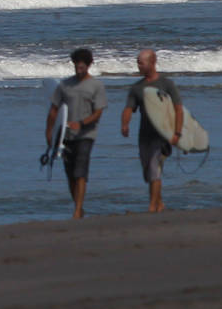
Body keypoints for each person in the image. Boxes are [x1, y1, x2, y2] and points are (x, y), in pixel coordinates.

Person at [46, 48, 107, 219]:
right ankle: (78, 206)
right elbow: (53, 110)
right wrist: (49, 132)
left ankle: (78, 209)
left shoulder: (96, 85)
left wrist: (81, 123)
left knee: (80, 171)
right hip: (65, 136)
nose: (78, 69)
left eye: (81, 67)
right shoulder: (64, 85)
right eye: (76, 66)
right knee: (70, 173)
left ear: (89, 65)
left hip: (86, 135)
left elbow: (98, 112)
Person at [121, 49, 183, 213]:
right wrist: (125, 124)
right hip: (144, 135)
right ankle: (160, 203)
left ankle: (152, 207)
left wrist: (177, 133)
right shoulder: (137, 88)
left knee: (155, 169)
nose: (138, 65)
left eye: (141, 62)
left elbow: (178, 108)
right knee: (148, 171)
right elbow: (129, 108)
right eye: (138, 62)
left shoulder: (166, 84)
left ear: (152, 62)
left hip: (162, 135)